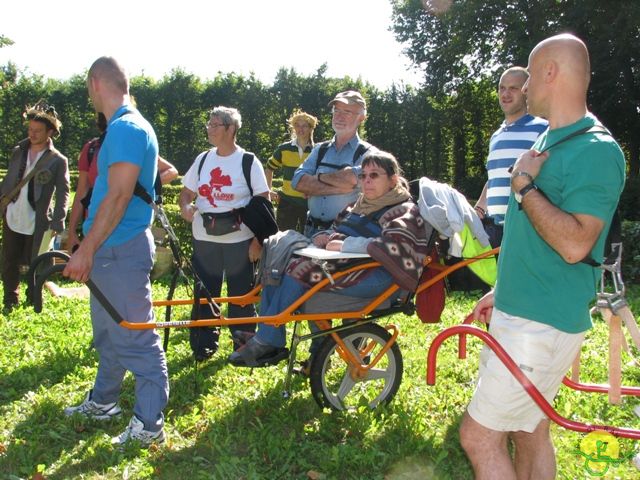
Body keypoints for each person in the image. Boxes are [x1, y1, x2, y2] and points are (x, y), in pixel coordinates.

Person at [459, 34, 626, 480]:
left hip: (541, 322)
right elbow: (531, 239)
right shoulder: (552, 139)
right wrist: (502, 289)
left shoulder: (595, 150)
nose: (526, 85)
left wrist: (525, 187)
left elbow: (575, 245)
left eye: (530, 75)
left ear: (550, 73)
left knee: (478, 437)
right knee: (530, 430)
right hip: (524, 310)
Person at [229, 151, 429, 367]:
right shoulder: (357, 205)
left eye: (374, 175)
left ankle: (267, 340)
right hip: (349, 266)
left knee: (301, 270)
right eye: (363, 176)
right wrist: (322, 238)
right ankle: (268, 336)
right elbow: (334, 231)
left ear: (393, 180)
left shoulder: (403, 210)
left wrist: (344, 244)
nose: (367, 181)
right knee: (279, 263)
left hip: (380, 276)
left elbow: (397, 247)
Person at [62, 56, 169, 447]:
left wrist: (86, 248)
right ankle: (105, 401)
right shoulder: (125, 127)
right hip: (110, 250)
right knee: (109, 336)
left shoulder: (125, 128)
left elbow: (120, 195)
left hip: (118, 249)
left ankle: (149, 424)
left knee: (136, 338)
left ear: (95, 83)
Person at [179, 106, 270, 361]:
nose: (209, 127)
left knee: (241, 297)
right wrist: (186, 206)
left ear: (231, 129)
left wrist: (257, 241)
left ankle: (243, 348)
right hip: (204, 239)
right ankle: (203, 346)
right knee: (204, 295)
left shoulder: (248, 161)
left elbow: (263, 203)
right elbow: (186, 192)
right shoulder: (203, 159)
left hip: (239, 241)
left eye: (215, 124)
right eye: (208, 123)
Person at [67, 113, 178, 253]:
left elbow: (171, 171)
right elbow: (81, 192)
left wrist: (137, 185)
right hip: (94, 224)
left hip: (129, 227)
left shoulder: (132, 145)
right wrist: (71, 232)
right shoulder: (91, 149)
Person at [0, 101, 69, 313]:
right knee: (9, 259)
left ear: (50, 132)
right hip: (13, 213)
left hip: (38, 219)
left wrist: (59, 220)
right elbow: (10, 180)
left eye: (38, 131)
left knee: (37, 261)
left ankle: (33, 297)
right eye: (30, 129)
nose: (32, 134)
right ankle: (10, 299)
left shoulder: (58, 160)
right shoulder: (18, 151)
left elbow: (64, 190)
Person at [474, 66, 548, 247]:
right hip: (494, 229)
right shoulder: (496, 135)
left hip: (525, 228)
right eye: (502, 88)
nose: (505, 93)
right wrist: (479, 208)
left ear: (526, 91)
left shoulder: (543, 128)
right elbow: (493, 178)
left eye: (513, 88)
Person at [291, 90, 377, 238]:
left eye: (347, 112)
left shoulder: (370, 154)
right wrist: (345, 187)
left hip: (345, 234)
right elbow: (297, 182)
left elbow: (351, 179)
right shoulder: (320, 149)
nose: (339, 116)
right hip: (310, 231)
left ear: (362, 117)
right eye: (336, 110)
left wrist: (317, 178)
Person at [265, 109, 318, 232]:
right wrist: (269, 190)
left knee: (308, 239)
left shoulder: (317, 151)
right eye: (297, 125)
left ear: (311, 129)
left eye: (304, 126)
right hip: (287, 202)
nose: (300, 129)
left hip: (310, 203)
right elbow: (269, 168)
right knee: (283, 239)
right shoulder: (284, 148)